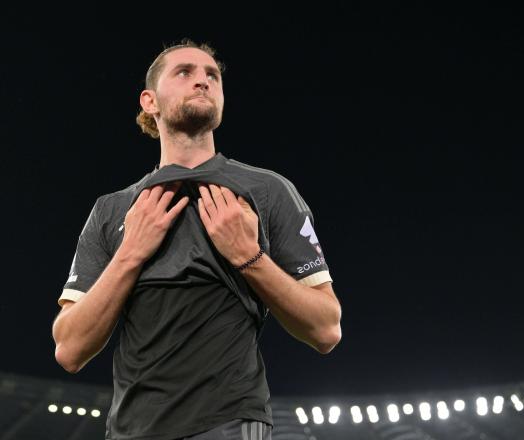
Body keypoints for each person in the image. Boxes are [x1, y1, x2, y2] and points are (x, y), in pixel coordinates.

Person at [51, 39, 342, 440]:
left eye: (213, 76)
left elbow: (326, 328)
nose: (203, 82)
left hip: (229, 423)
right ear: (149, 101)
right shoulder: (112, 210)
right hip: (129, 431)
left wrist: (248, 255)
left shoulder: (268, 191)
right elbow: (69, 348)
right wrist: (130, 254)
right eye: (184, 72)